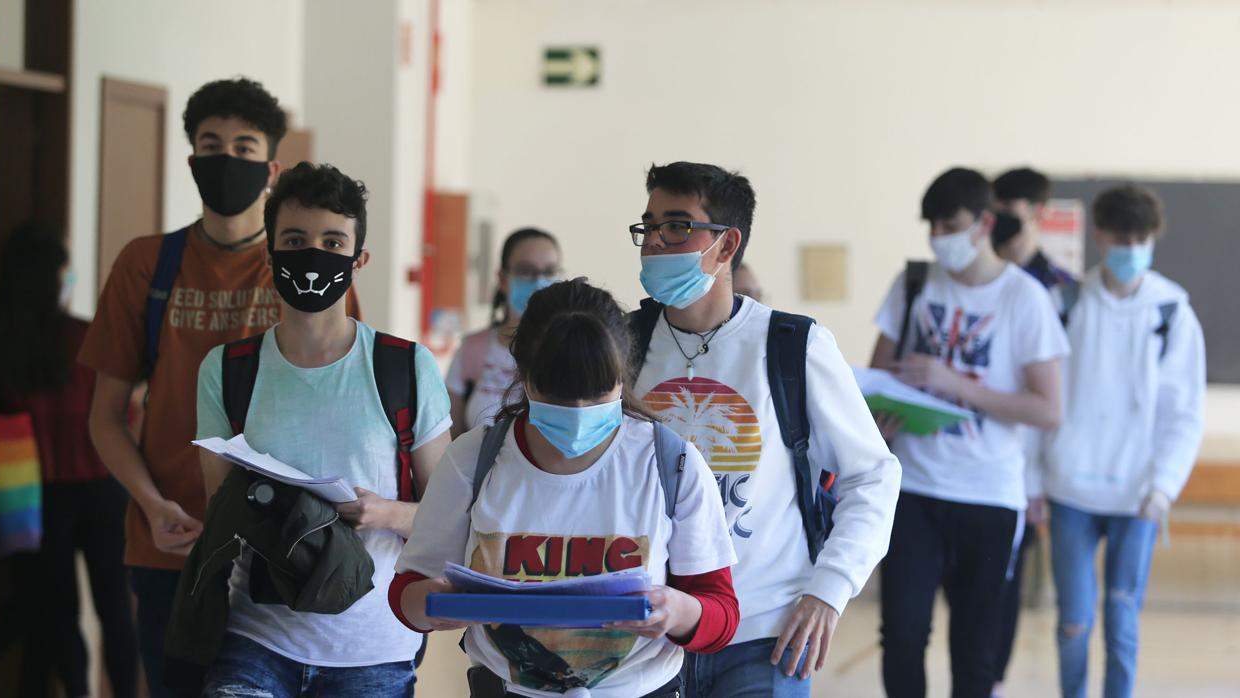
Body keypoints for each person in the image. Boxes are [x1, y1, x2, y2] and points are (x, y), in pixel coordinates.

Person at [79, 77, 358, 697]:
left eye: (244, 145)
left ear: (271, 166)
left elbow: (344, 397)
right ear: (192, 160)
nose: (227, 159)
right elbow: (104, 415)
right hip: (171, 548)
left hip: (283, 548)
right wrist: (152, 506)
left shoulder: (311, 268)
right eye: (212, 144)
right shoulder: (146, 265)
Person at [392, 278, 739, 698]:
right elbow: (406, 591)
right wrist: (433, 605)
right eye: (559, 396)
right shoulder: (474, 459)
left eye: (597, 394)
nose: (578, 412)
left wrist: (678, 611)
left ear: (622, 373)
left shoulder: (671, 463)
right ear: (524, 376)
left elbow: (721, 612)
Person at [629, 161, 901, 696]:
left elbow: (872, 476)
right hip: (646, 629)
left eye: (678, 225)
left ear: (727, 246)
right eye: (650, 225)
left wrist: (830, 589)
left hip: (765, 633)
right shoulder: (624, 342)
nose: (656, 241)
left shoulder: (793, 347)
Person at [193, 162, 450, 696]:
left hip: (374, 647)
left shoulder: (405, 367)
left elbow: (449, 519)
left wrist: (383, 512)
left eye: (333, 241)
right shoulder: (227, 369)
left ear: (359, 260)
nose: (314, 254)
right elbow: (219, 505)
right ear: (269, 254)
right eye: (295, 239)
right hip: (256, 635)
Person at [869, 167, 1068, 698]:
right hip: (912, 488)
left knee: (975, 650)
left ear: (984, 223)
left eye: (949, 223)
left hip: (988, 493)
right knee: (903, 636)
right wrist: (882, 412)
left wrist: (954, 385)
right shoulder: (913, 283)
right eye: (931, 224)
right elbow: (876, 375)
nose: (939, 236)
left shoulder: (1025, 298)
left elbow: (1048, 408)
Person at [1038, 185, 1204, 698]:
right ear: (1100, 235)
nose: (1130, 248)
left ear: (1153, 240)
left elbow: (1184, 413)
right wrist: (1032, 483)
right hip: (1070, 492)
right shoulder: (1064, 305)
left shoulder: (1172, 313)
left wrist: (1163, 489)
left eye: (1141, 238)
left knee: (1122, 617)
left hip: (1138, 498)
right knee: (1074, 621)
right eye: (1121, 236)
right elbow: (1037, 403)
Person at [0, 224, 138, 697]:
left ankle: (76, 691)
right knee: (117, 613)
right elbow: (126, 414)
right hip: (102, 489)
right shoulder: (86, 338)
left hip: (32, 499)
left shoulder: (3, 348)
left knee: (55, 616)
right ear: (53, 278)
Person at [989, 166, 1079, 695]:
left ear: (1037, 215)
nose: (1002, 224)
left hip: (1033, 463)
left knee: (1006, 581)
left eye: (1013, 215)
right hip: (974, 455)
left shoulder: (1064, 292)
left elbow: (1064, 395)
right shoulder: (978, 280)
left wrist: (1042, 476)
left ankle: (993, 679)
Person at [447, 228, 562, 436]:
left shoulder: (569, 350)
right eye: (526, 270)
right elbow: (450, 438)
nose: (539, 282)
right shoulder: (472, 349)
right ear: (502, 279)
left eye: (549, 272)